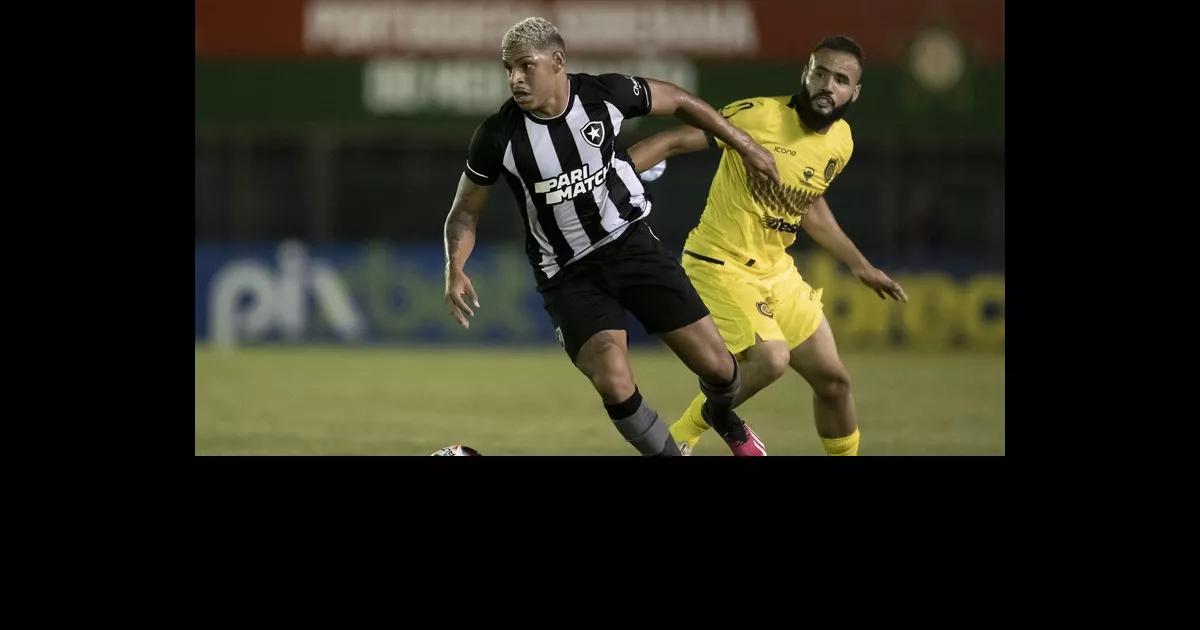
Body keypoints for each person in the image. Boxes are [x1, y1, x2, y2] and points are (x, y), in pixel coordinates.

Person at [442, 17, 779, 455]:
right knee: (614, 380)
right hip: (566, 274)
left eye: (526, 66)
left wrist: (745, 145)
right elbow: (464, 212)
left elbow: (678, 99)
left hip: (630, 245)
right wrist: (456, 266)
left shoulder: (605, 95)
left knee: (720, 370)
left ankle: (721, 414)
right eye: (508, 69)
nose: (515, 79)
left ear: (557, 61)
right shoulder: (497, 135)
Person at [627, 35, 908, 456]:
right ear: (806, 73)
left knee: (834, 383)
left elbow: (808, 205)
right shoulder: (758, 115)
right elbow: (673, 141)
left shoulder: (841, 142)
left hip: (777, 271)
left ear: (855, 91)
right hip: (720, 262)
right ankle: (687, 432)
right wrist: (610, 176)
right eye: (820, 73)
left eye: (841, 79)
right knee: (771, 359)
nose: (828, 85)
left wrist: (859, 264)